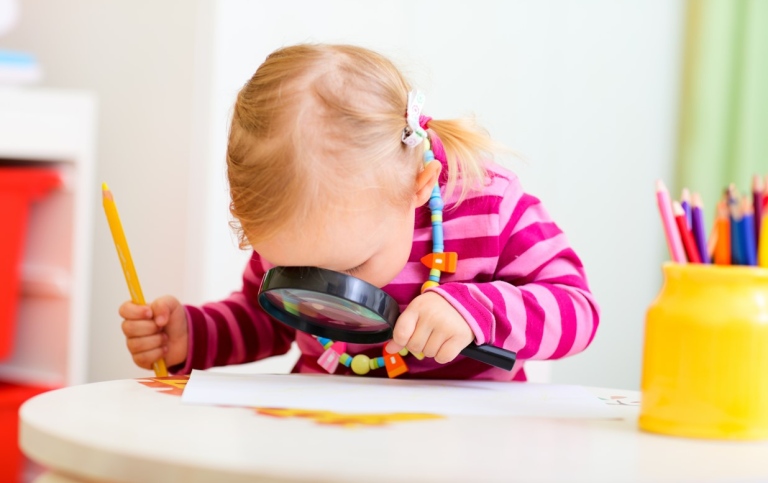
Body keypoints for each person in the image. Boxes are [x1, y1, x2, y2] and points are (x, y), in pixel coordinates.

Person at [120, 44, 599, 380]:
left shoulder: (487, 205)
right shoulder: (303, 226)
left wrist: (480, 311)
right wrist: (192, 335)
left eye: (351, 269)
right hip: (326, 438)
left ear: (418, 186)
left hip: (465, 447)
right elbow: (267, 318)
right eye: (296, 271)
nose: (324, 287)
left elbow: (579, 312)